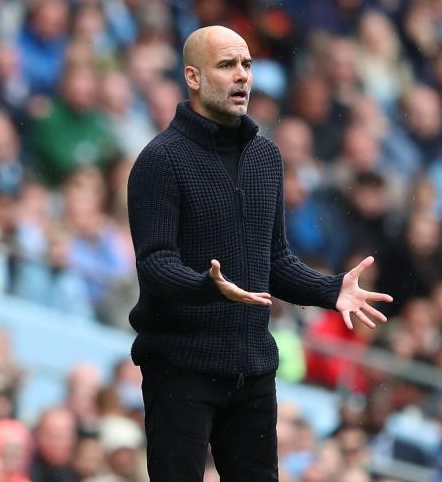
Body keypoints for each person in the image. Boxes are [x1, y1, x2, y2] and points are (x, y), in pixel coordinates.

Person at [126, 25, 393, 481]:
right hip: (180, 366)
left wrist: (331, 290)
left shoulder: (267, 157)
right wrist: (206, 286)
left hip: (252, 371)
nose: (242, 77)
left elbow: (275, 260)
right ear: (193, 77)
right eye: (227, 65)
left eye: (246, 65)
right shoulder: (160, 159)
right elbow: (154, 264)